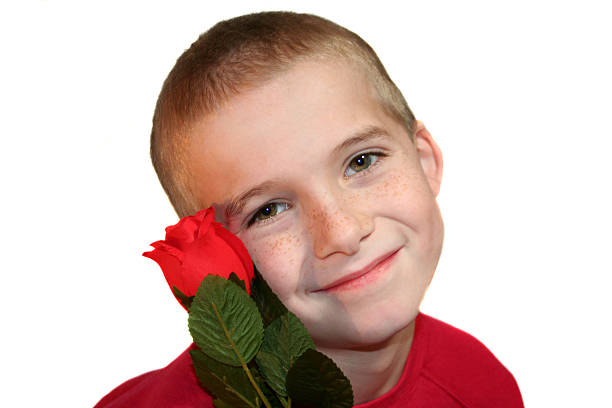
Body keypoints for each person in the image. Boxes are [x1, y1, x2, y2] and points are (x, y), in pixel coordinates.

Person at [95, 11, 523, 407]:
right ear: (220, 261)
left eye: (362, 161)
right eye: (269, 210)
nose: (341, 233)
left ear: (424, 160)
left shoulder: (480, 385)